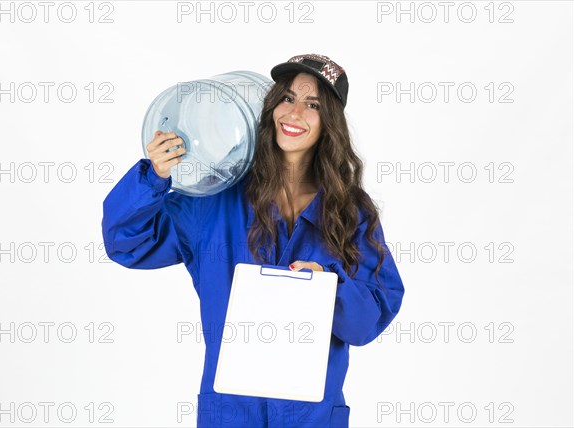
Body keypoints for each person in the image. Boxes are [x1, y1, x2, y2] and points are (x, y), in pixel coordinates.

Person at [102, 53, 405, 428]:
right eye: (287, 98)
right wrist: (153, 177)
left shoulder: (349, 213)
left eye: (312, 105)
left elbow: (366, 322)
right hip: (230, 414)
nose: (294, 114)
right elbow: (126, 243)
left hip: (312, 417)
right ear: (271, 105)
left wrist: (329, 287)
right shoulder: (215, 199)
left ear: (330, 122)